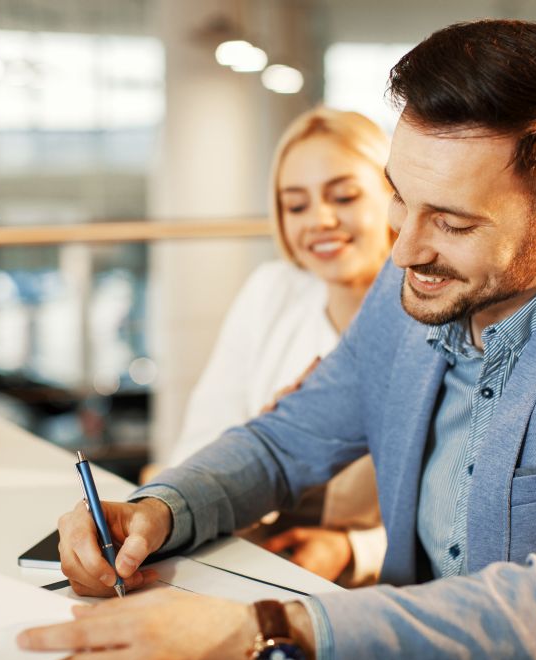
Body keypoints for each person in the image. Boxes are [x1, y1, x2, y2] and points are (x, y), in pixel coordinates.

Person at [19, 19, 536, 660]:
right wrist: (160, 509)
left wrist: (262, 632)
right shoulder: (417, 295)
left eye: (453, 222)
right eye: (400, 196)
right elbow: (284, 442)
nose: (403, 250)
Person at [164, 106, 394, 584]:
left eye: (344, 196)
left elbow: (454, 509)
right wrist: (265, 436)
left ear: (395, 195)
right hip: (248, 554)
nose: (320, 220)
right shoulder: (271, 291)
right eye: (296, 206)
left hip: (375, 585)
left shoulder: (433, 312)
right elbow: (199, 443)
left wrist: (354, 550)